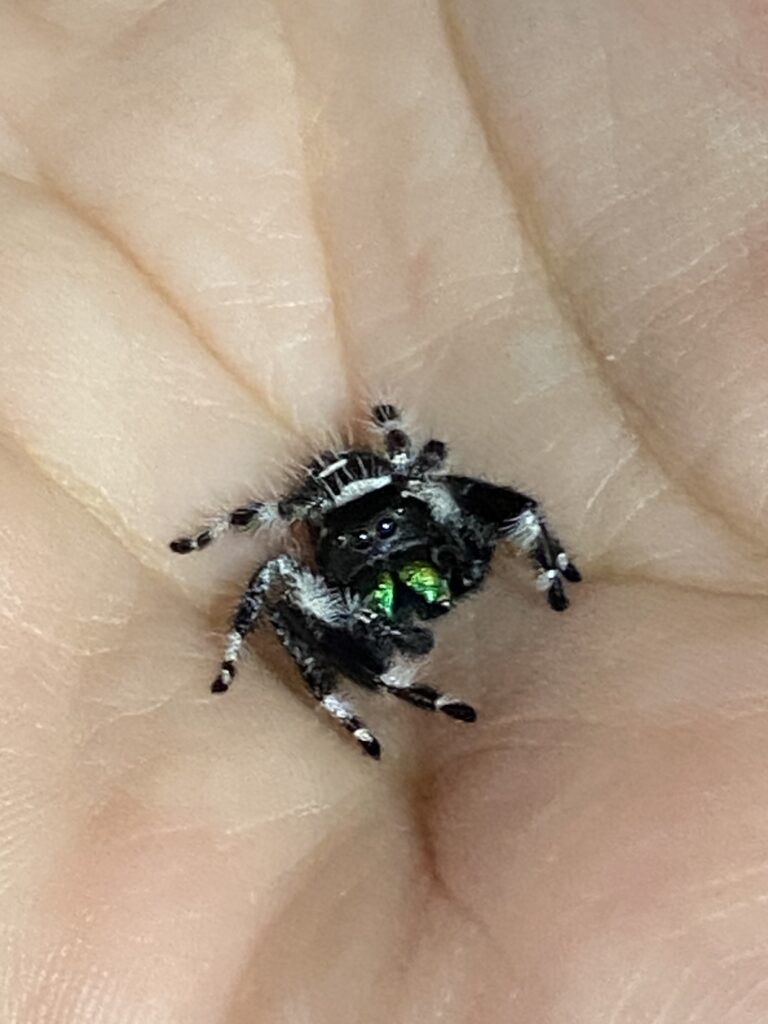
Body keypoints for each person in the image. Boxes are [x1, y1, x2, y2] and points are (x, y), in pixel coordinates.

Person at [2, 1, 766, 1019]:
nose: (413, 567)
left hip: (402, 490)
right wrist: (303, 669)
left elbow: (457, 492)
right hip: (365, 529)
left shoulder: (428, 510)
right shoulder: (327, 558)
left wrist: (529, 549)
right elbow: (273, 552)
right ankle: (345, 695)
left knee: (429, 509)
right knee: (275, 580)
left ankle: (476, 609)